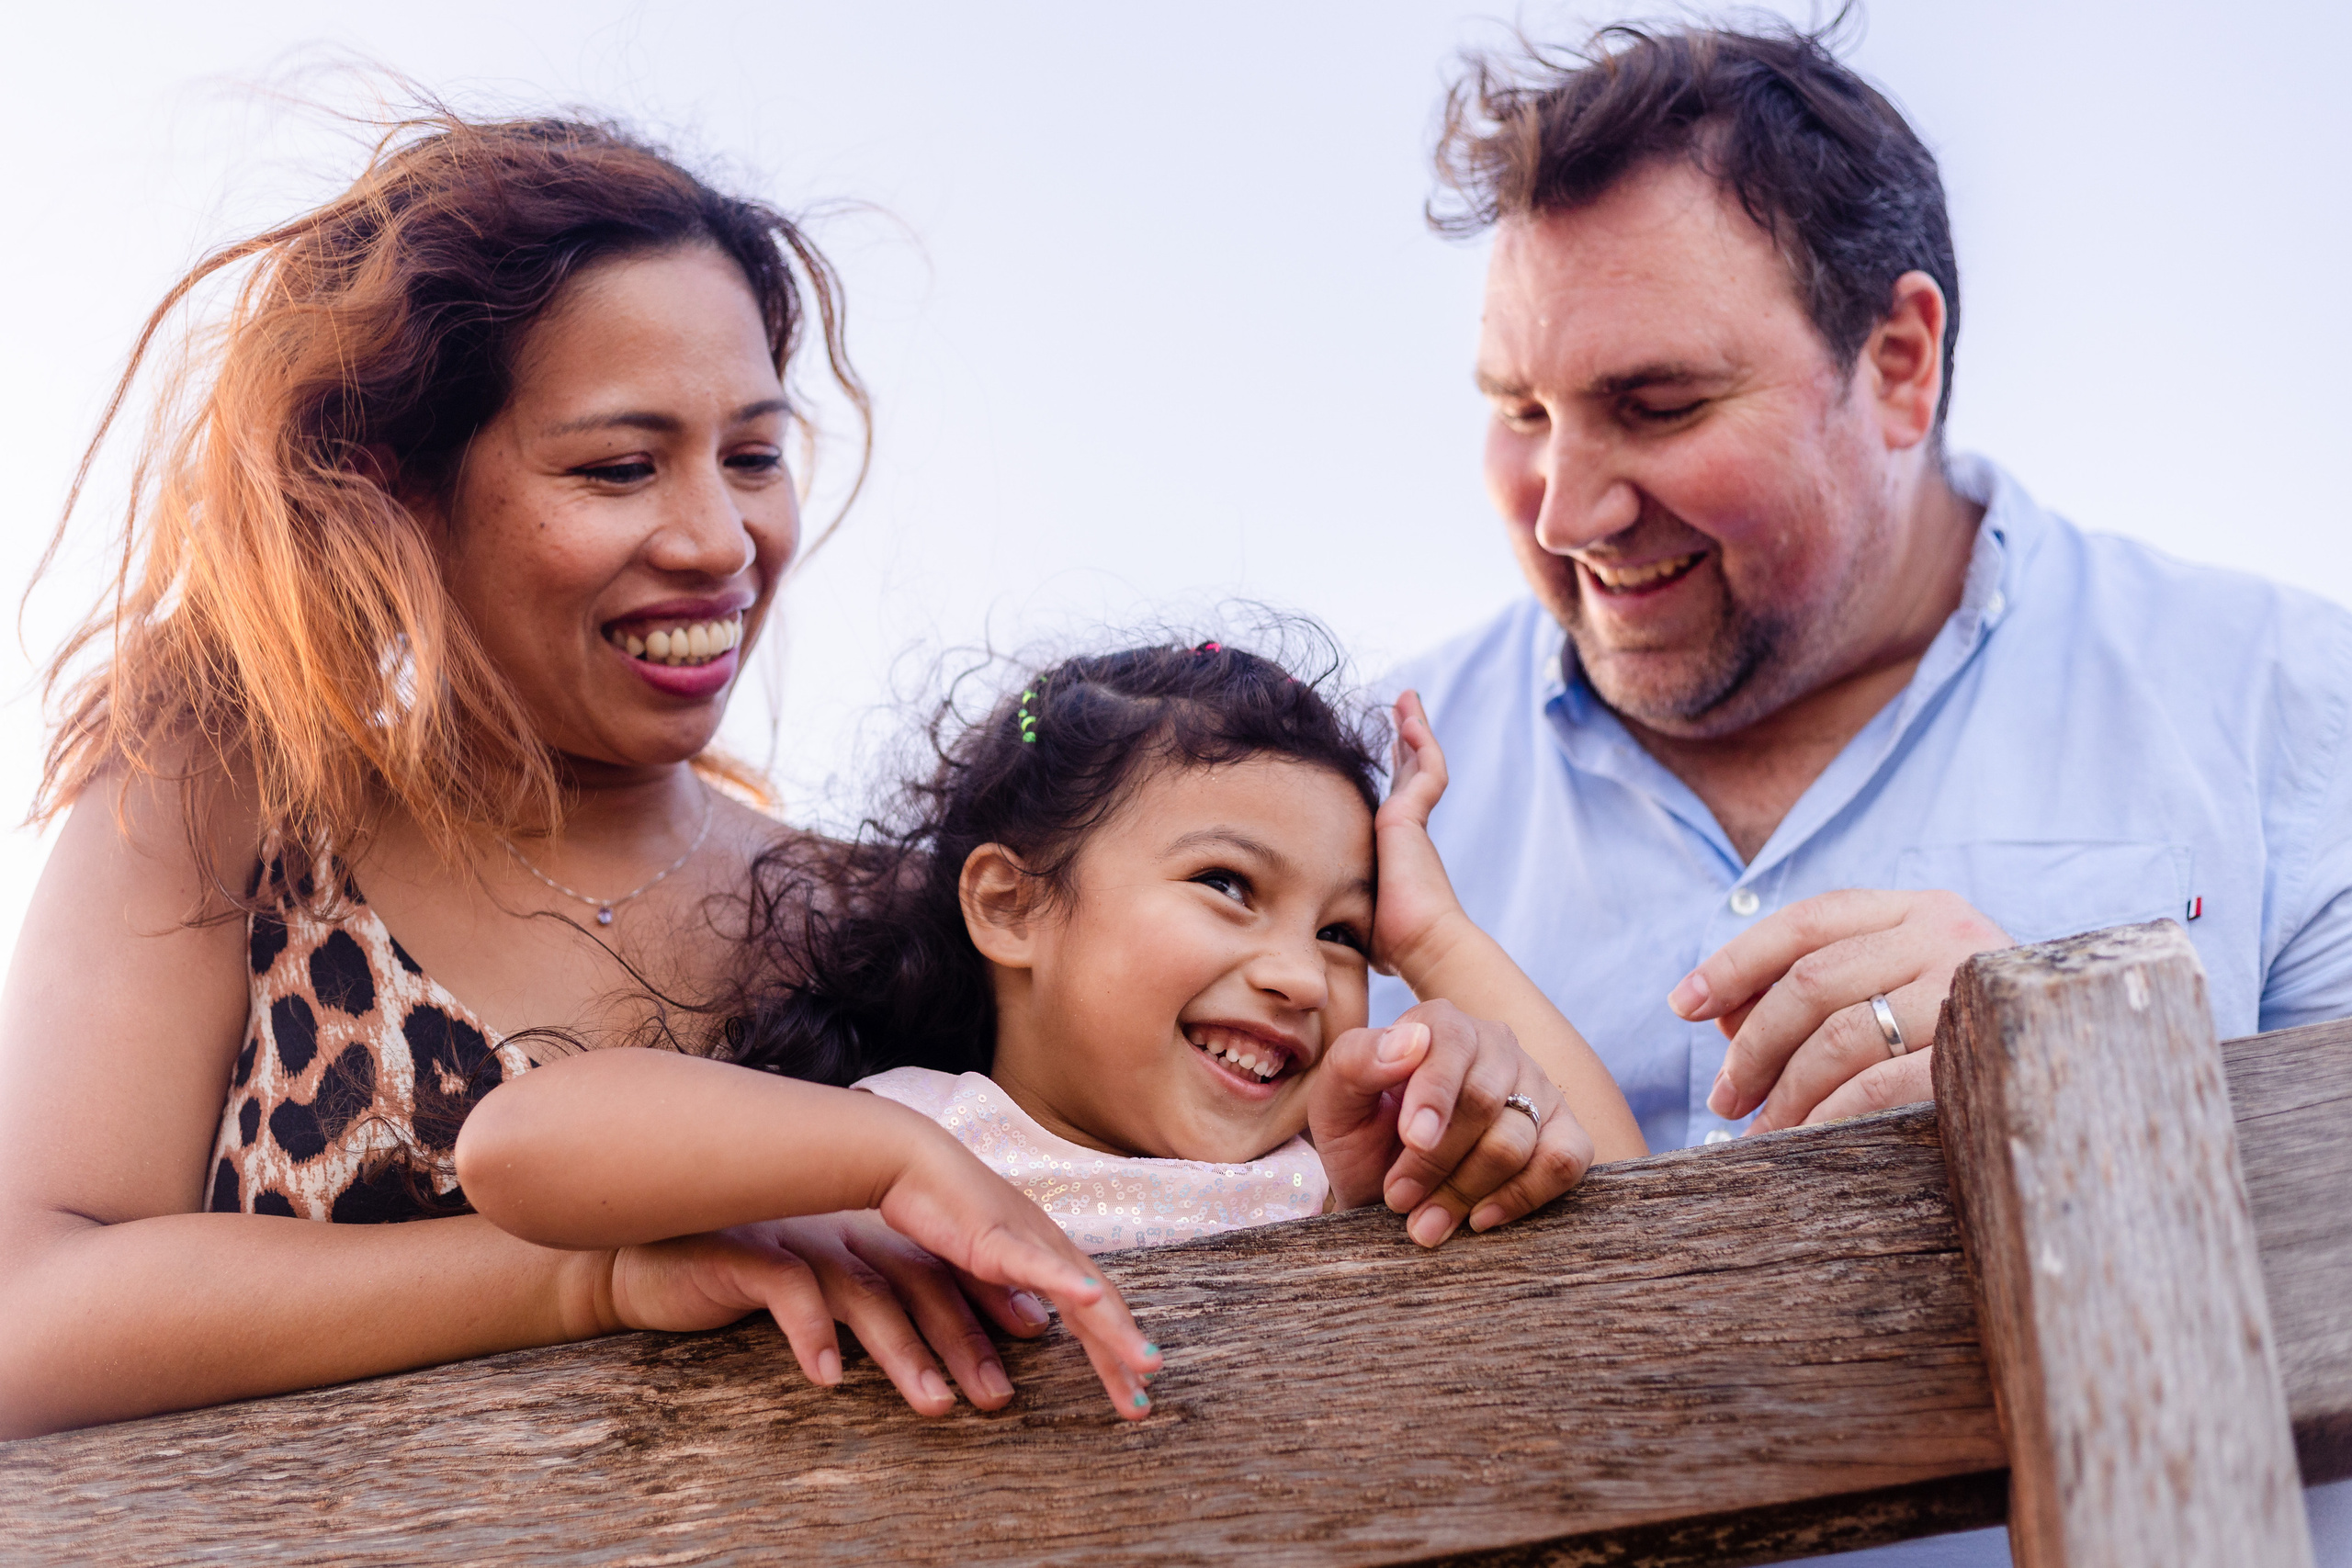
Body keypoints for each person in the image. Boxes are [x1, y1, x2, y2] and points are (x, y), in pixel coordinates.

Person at [0, 109, 1170, 1437]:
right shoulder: (220, 799)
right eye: (621, 467)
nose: (720, 542)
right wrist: (586, 1276)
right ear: (395, 489)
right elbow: (27, 1317)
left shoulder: (894, 917)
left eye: (754, 457)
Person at [1368, 20, 2352, 1563]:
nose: (1566, 509)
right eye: (1521, 411)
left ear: (1900, 361)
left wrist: (2073, 1072)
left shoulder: (2291, 707)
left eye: (1659, 405)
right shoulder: (1347, 794)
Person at [455, 638, 1645, 1261]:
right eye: (1228, 886)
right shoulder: (904, 1140)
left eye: (1345, 932)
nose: (1299, 973)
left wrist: (1431, 935)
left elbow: (1638, 1210)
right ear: (1012, 907)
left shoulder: (1342, 1179)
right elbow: (518, 1150)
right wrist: (888, 1161)